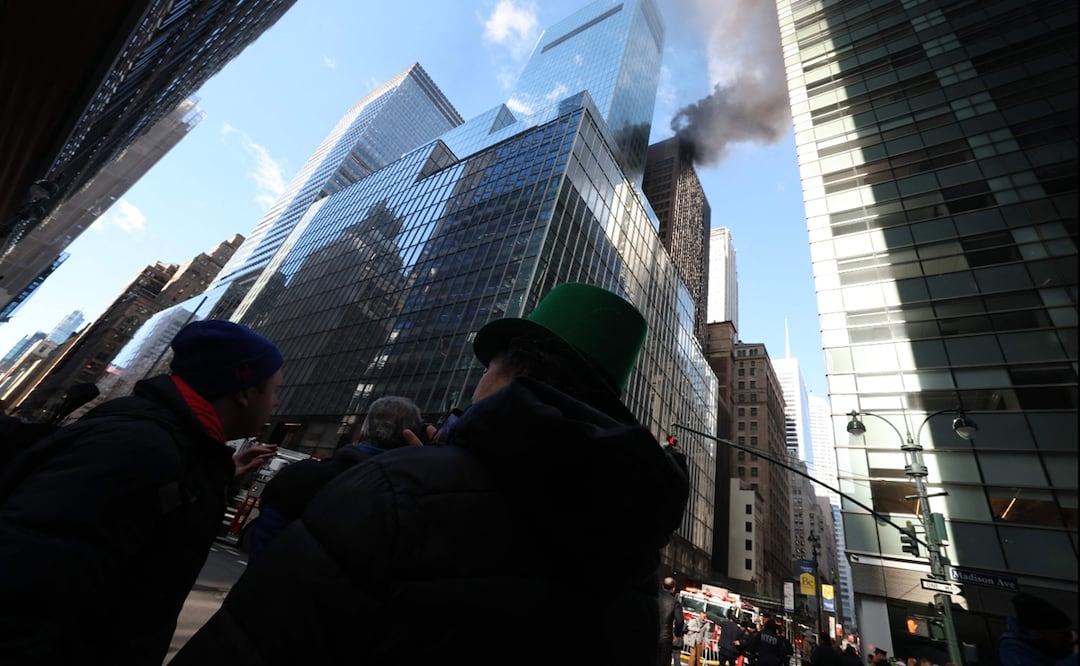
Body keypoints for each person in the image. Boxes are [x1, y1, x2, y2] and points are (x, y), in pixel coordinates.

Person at [172, 282, 690, 665]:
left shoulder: (400, 489)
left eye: (489, 368)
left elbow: (256, 642)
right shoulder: (638, 566)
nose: (478, 382)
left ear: (520, 373)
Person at [0, 319, 283, 665]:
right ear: (244, 392)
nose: (275, 405)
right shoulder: (138, 449)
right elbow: (27, 588)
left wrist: (216, 477)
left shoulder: (169, 449)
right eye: (274, 391)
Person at [246, 395, 428, 561]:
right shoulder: (415, 501)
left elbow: (265, 541)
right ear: (411, 439)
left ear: (362, 433)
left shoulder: (303, 476)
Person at [1000, 593, 1079, 666]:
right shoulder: (1014, 652)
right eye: (1061, 633)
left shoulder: (1039, 640)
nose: (1066, 636)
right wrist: (1074, 658)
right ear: (1038, 633)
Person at [659, 576, 688, 666]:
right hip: (665, 639)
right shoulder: (675, 603)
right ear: (674, 588)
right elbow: (680, 620)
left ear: (662, 586)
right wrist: (676, 634)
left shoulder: (654, 596)